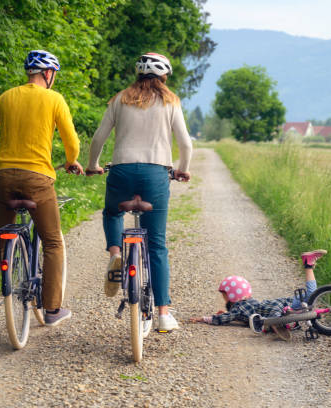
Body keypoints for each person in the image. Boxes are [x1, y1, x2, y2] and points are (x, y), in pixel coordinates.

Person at [0, 50, 83, 326]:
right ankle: (52, 309)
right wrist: (71, 161)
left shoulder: (7, 97)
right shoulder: (54, 99)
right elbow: (72, 142)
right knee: (53, 242)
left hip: (5, 177)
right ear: (48, 74)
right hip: (38, 180)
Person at [86, 52, 193, 331]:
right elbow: (186, 144)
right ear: (163, 76)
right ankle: (163, 314)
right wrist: (182, 168)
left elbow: (99, 137)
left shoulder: (119, 99)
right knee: (156, 244)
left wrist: (93, 164)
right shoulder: (170, 101)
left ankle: (114, 254)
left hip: (121, 170)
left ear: (138, 74)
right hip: (155, 174)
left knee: (111, 213)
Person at [190, 250, 327, 340]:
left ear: (232, 295)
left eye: (225, 296)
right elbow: (241, 318)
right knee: (310, 295)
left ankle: (276, 324)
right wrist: (225, 314)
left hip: (274, 308)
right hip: (283, 303)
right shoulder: (246, 304)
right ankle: (308, 264)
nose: (224, 299)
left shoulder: (238, 307)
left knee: (278, 314)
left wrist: (203, 318)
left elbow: (222, 319)